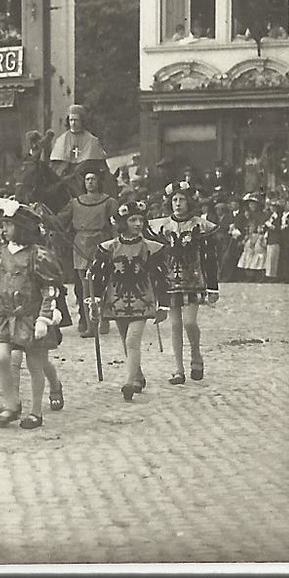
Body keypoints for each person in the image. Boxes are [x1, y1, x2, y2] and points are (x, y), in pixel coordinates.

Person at [0, 200, 65, 429]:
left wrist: (44, 318)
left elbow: (49, 289)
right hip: (5, 317)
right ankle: (11, 403)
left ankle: (36, 412)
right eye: (3, 225)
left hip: (31, 316)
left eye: (9, 225)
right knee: (0, 356)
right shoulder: (0, 254)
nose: (3, 229)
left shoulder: (37, 255)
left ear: (22, 228)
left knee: (35, 365)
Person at [85, 201, 168, 402]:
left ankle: (129, 382)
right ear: (123, 222)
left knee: (132, 340)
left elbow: (161, 277)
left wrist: (163, 304)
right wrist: (95, 299)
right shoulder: (109, 248)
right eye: (133, 220)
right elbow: (99, 275)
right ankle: (138, 376)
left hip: (142, 299)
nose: (138, 224)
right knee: (125, 339)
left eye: (140, 219)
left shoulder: (151, 248)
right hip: (117, 300)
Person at [149, 180, 221, 385]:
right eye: (174, 200)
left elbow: (210, 257)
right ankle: (178, 369)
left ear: (189, 202)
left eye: (182, 200)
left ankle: (196, 354)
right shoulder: (161, 226)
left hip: (193, 280)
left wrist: (212, 286)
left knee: (190, 322)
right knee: (175, 325)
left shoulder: (200, 225)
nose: (178, 204)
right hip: (170, 282)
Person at [56, 161, 117, 337]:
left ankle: (104, 319)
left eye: (93, 179)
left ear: (99, 182)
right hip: (81, 244)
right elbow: (60, 220)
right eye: (87, 180)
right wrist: (44, 214)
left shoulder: (108, 202)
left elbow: (116, 224)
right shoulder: (75, 203)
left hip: (101, 242)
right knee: (85, 286)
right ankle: (91, 324)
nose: (90, 182)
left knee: (102, 283)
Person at [48, 105, 108, 197]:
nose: (73, 123)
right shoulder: (61, 140)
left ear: (82, 121)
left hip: (85, 177)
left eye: (76, 120)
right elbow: (55, 166)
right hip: (65, 177)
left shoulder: (92, 140)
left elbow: (100, 166)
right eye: (71, 120)